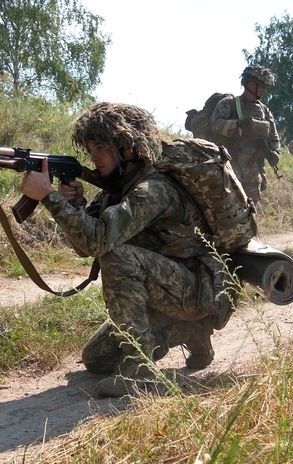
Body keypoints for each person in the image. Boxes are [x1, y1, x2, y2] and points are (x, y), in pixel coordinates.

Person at [19, 102, 237, 397]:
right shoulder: (118, 190)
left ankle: (141, 371)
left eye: (100, 147)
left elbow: (99, 242)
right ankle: (190, 330)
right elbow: (85, 246)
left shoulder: (153, 190)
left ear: (128, 147)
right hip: (164, 291)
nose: (93, 157)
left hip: (194, 290)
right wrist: (75, 205)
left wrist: (48, 197)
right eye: (90, 149)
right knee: (97, 359)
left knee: (117, 257)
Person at [208, 65, 282, 205]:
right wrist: (238, 124)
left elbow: (274, 137)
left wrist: (274, 152)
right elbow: (215, 124)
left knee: (252, 208)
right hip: (228, 166)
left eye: (265, 86)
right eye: (261, 85)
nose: (264, 90)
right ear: (249, 83)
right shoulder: (229, 104)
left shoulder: (264, 110)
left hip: (252, 171)